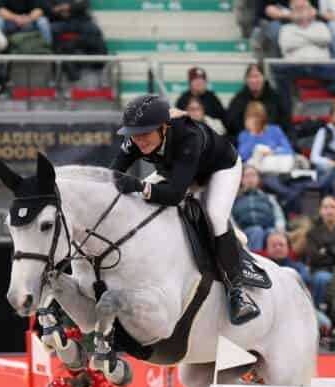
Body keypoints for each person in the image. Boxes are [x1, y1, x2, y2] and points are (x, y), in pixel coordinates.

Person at [110, 94, 259, 324]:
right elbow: (113, 175)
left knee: (215, 216)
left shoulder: (188, 136)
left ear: (164, 128)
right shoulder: (136, 139)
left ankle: (238, 292)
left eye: (145, 133)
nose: (139, 140)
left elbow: (175, 195)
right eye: (134, 134)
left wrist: (139, 185)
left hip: (219, 169)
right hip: (178, 171)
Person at [275, 0, 335, 116]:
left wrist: (300, 38)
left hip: (321, 64)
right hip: (295, 65)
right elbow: (286, 45)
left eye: (304, 8)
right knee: (278, 73)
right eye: (297, 9)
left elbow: (325, 39)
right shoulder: (286, 28)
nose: (302, 12)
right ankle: (286, 115)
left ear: (311, 11)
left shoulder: (321, 26)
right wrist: (313, 39)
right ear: (291, 12)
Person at [302, 195, 335, 308]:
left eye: (332, 207)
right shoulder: (312, 233)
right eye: (325, 207)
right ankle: (317, 309)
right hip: (321, 270)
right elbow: (314, 257)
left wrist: (327, 250)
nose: (329, 211)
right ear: (320, 211)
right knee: (323, 278)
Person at [225, 64, 289, 138]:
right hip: (244, 139)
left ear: (263, 78)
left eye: (256, 76)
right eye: (250, 77)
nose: (254, 80)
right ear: (246, 79)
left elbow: (285, 123)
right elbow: (230, 123)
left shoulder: (275, 98)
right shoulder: (238, 100)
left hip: (271, 139)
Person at [233, 165, 286, 251]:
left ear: (258, 178)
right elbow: (231, 220)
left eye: (253, 175)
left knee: (274, 235)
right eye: (247, 176)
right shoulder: (235, 199)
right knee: (256, 231)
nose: (250, 179)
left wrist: (279, 230)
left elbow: (279, 216)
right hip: (245, 232)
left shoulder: (268, 197)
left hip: (269, 230)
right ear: (241, 180)